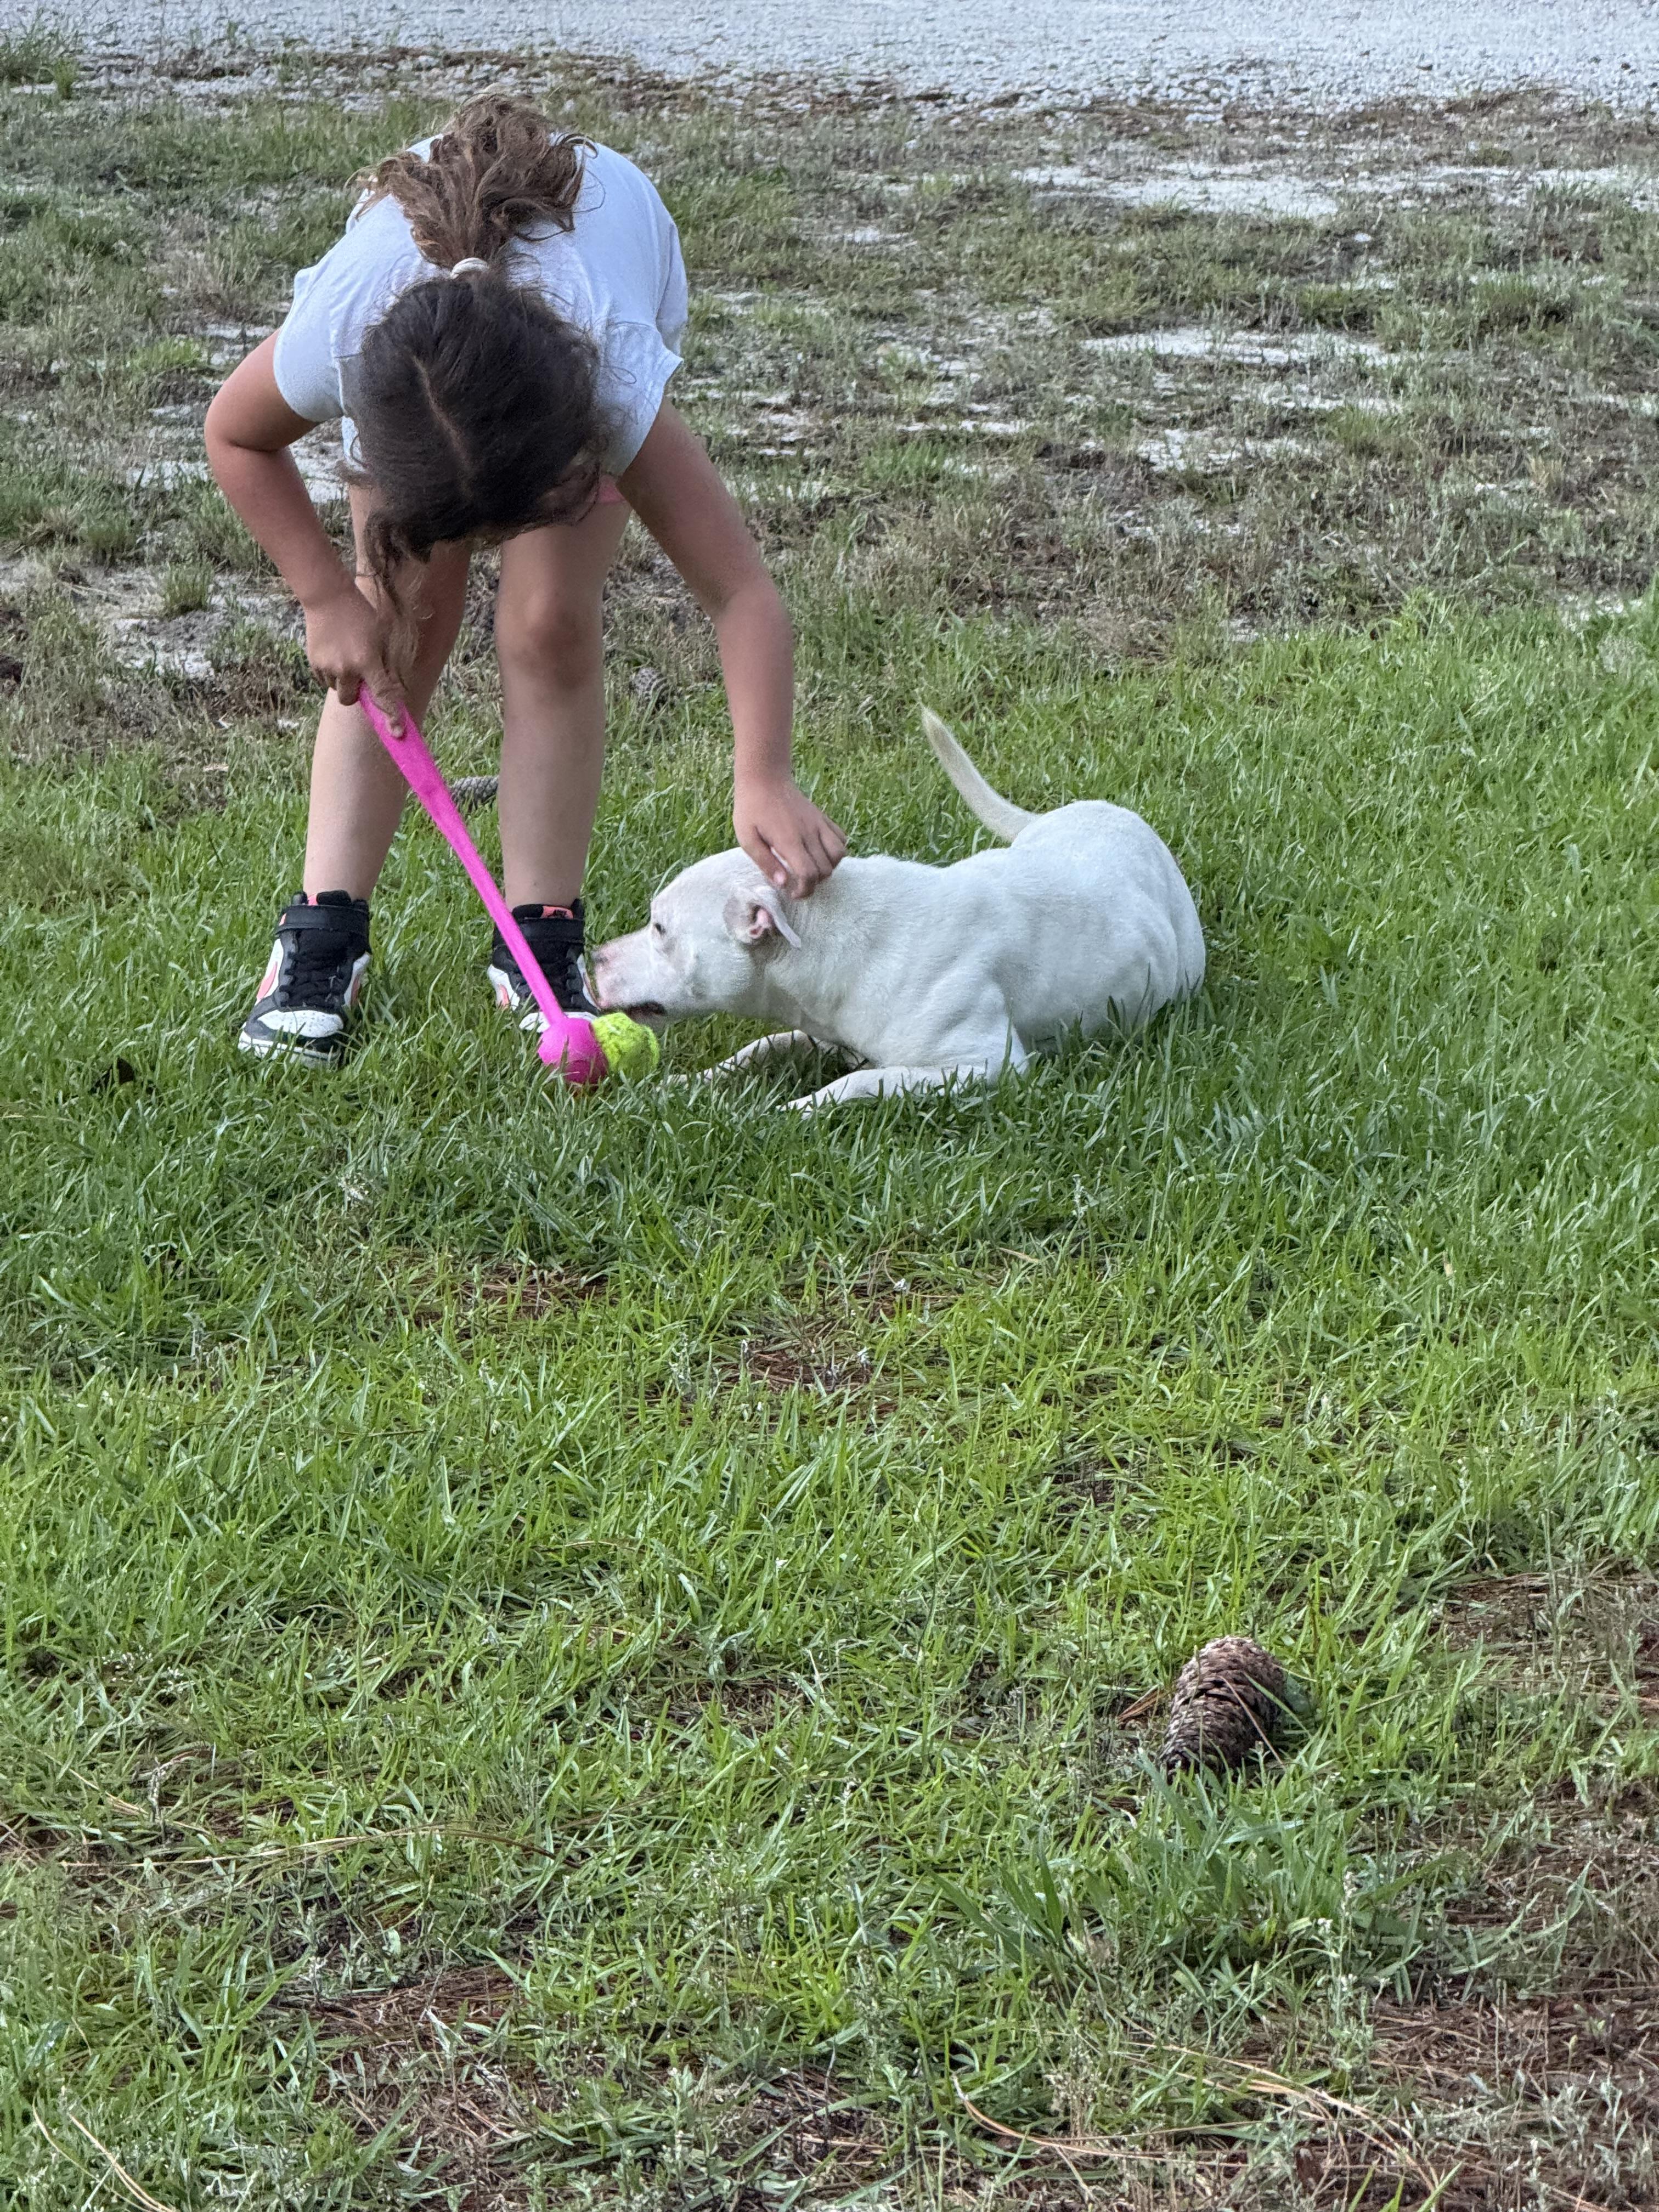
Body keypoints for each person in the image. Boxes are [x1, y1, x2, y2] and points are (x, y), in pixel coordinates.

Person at [205, 93, 845, 1062]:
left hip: (605, 259)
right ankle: (322, 931)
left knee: (548, 625)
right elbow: (233, 434)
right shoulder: (343, 335)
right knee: (401, 622)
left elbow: (740, 592)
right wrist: (325, 596)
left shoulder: (610, 379)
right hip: (429, 364)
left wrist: (762, 774)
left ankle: (541, 927)